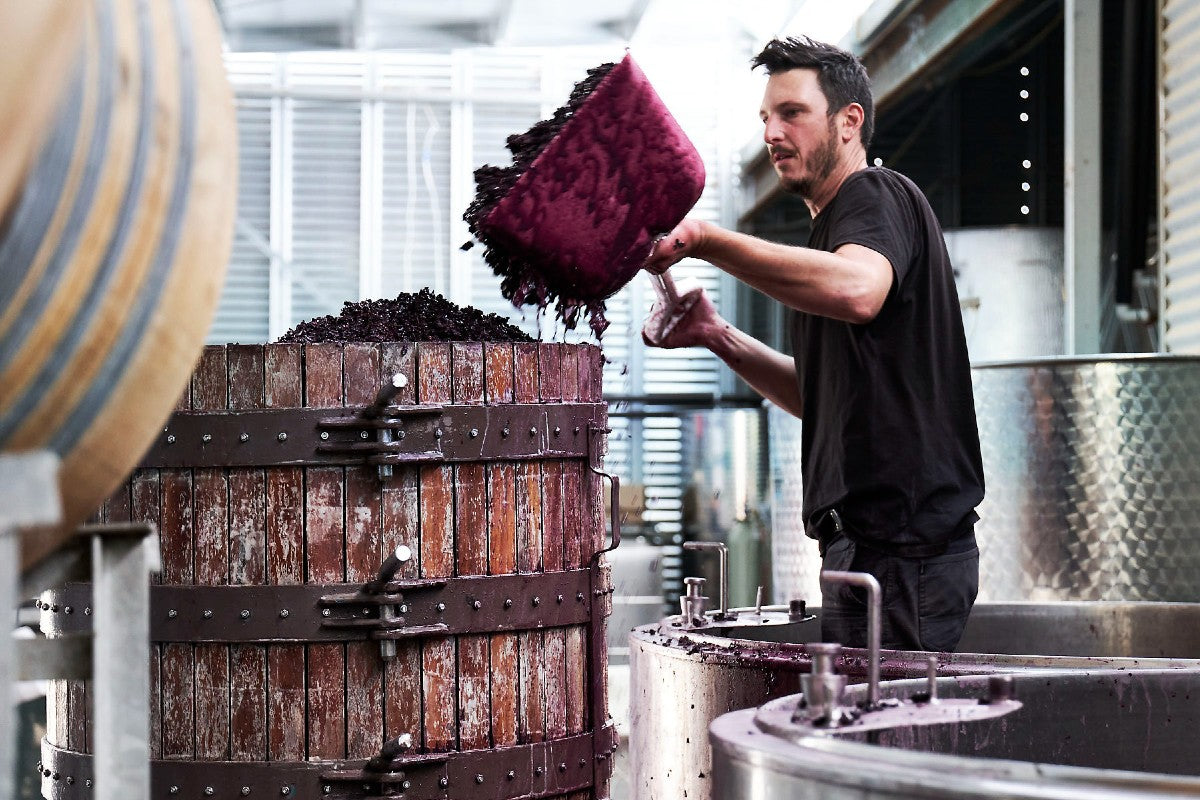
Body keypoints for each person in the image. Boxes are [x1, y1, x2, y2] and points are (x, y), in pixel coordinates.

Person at [642, 36, 984, 652]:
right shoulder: (830, 234)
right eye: (765, 118)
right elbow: (816, 397)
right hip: (868, 549)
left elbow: (860, 290)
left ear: (849, 122)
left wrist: (705, 240)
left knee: (884, 741)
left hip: (905, 557)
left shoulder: (874, 196)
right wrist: (717, 336)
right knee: (862, 734)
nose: (773, 132)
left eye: (792, 113)